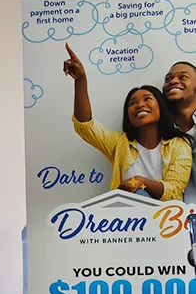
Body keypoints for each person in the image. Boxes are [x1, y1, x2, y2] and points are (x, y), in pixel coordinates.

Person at [63, 44, 192, 201]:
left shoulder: (179, 144)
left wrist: (142, 182)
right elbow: (85, 126)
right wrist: (81, 80)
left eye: (147, 99)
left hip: (165, 223)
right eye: (132, 103)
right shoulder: (119, 143)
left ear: (160, 106)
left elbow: (174, 192)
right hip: (126, 222)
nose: (139, 105)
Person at [162, 61, 196, 202]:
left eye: (183, 77)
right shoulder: (159, 133)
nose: (173, 81)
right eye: (168, 79)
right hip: (171, 219)